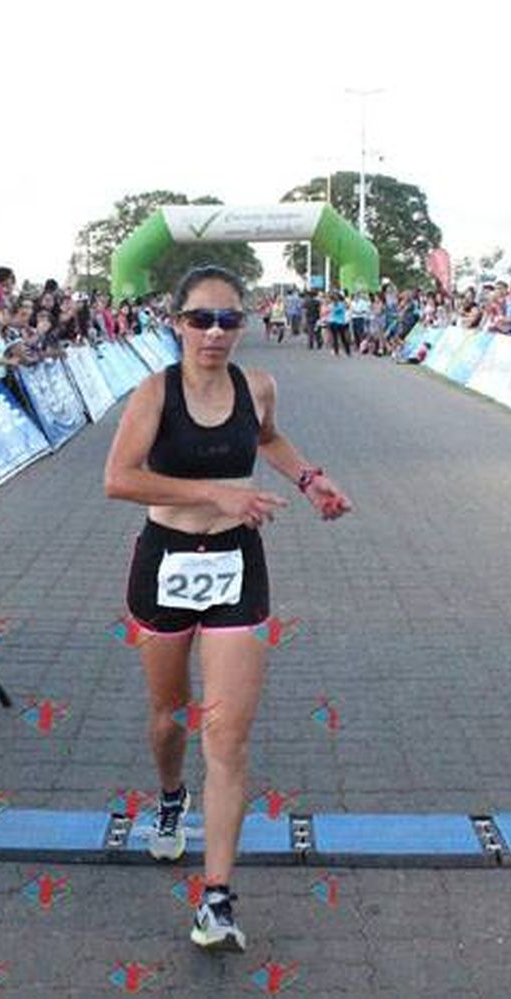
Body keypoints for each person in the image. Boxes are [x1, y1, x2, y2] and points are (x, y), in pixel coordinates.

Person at [103, 265, 352, 954]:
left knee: (228, 735)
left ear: (245, 324)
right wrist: (217, 494)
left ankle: (216, 897)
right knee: (170, 715)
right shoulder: (155, 393)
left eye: (229, 320)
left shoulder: (258, 387)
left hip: (237, 566)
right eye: (201, 319)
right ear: (176, 322)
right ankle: (170, 793)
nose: (215, 333)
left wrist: (309, 479)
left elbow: (267, 438)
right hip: (166, 563)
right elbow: (117, 478)